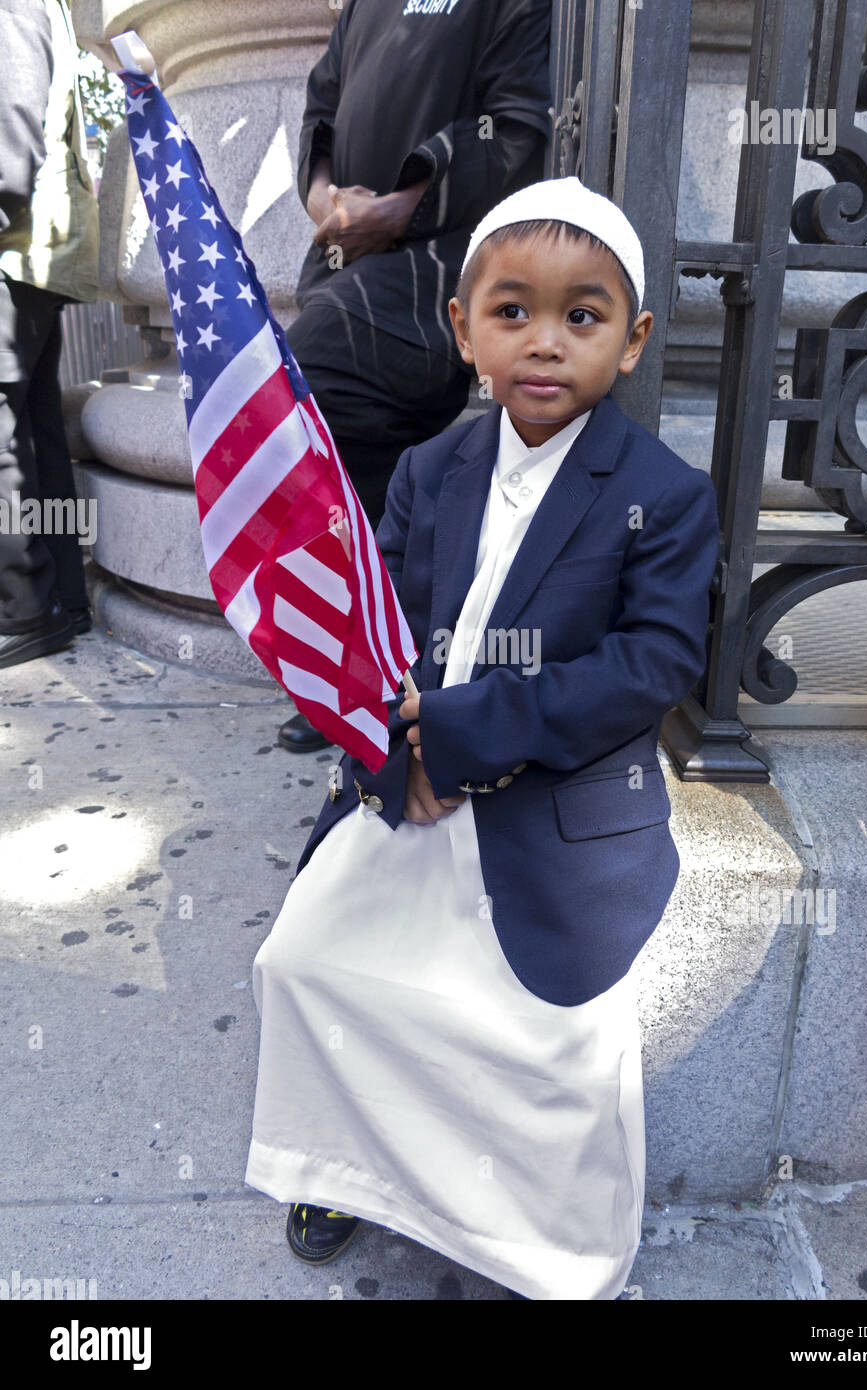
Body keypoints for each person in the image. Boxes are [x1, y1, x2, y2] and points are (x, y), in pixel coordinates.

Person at [244, 176, 720, 1301]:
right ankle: (343, 1161)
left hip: (547, 808)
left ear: (634, 340)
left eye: (582, 316)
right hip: (411, 784)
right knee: (305, 961)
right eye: (513, 312)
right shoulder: (428, 470)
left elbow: (651, 666)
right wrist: (386, 755)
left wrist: (462, 732)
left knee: (553, 1046)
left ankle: (532, 1240)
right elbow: (380, 631)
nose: (545, 343)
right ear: (465, 331)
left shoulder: (664, 493)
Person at [277, 0, 553, 751]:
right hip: (347, 259)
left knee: (320, 391)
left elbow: (518, 123)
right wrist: (327, 202)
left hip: (444, 259)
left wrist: (402, 206)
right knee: (308, 421)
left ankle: (377, 664)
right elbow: (320, 108)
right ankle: (365, 663)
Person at [0, 0, 98, 669]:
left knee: (8, 432)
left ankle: (22, 611)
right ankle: (62, 598)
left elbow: (11, 131)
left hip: (15, 246)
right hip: (35, 250)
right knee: (33, 426)